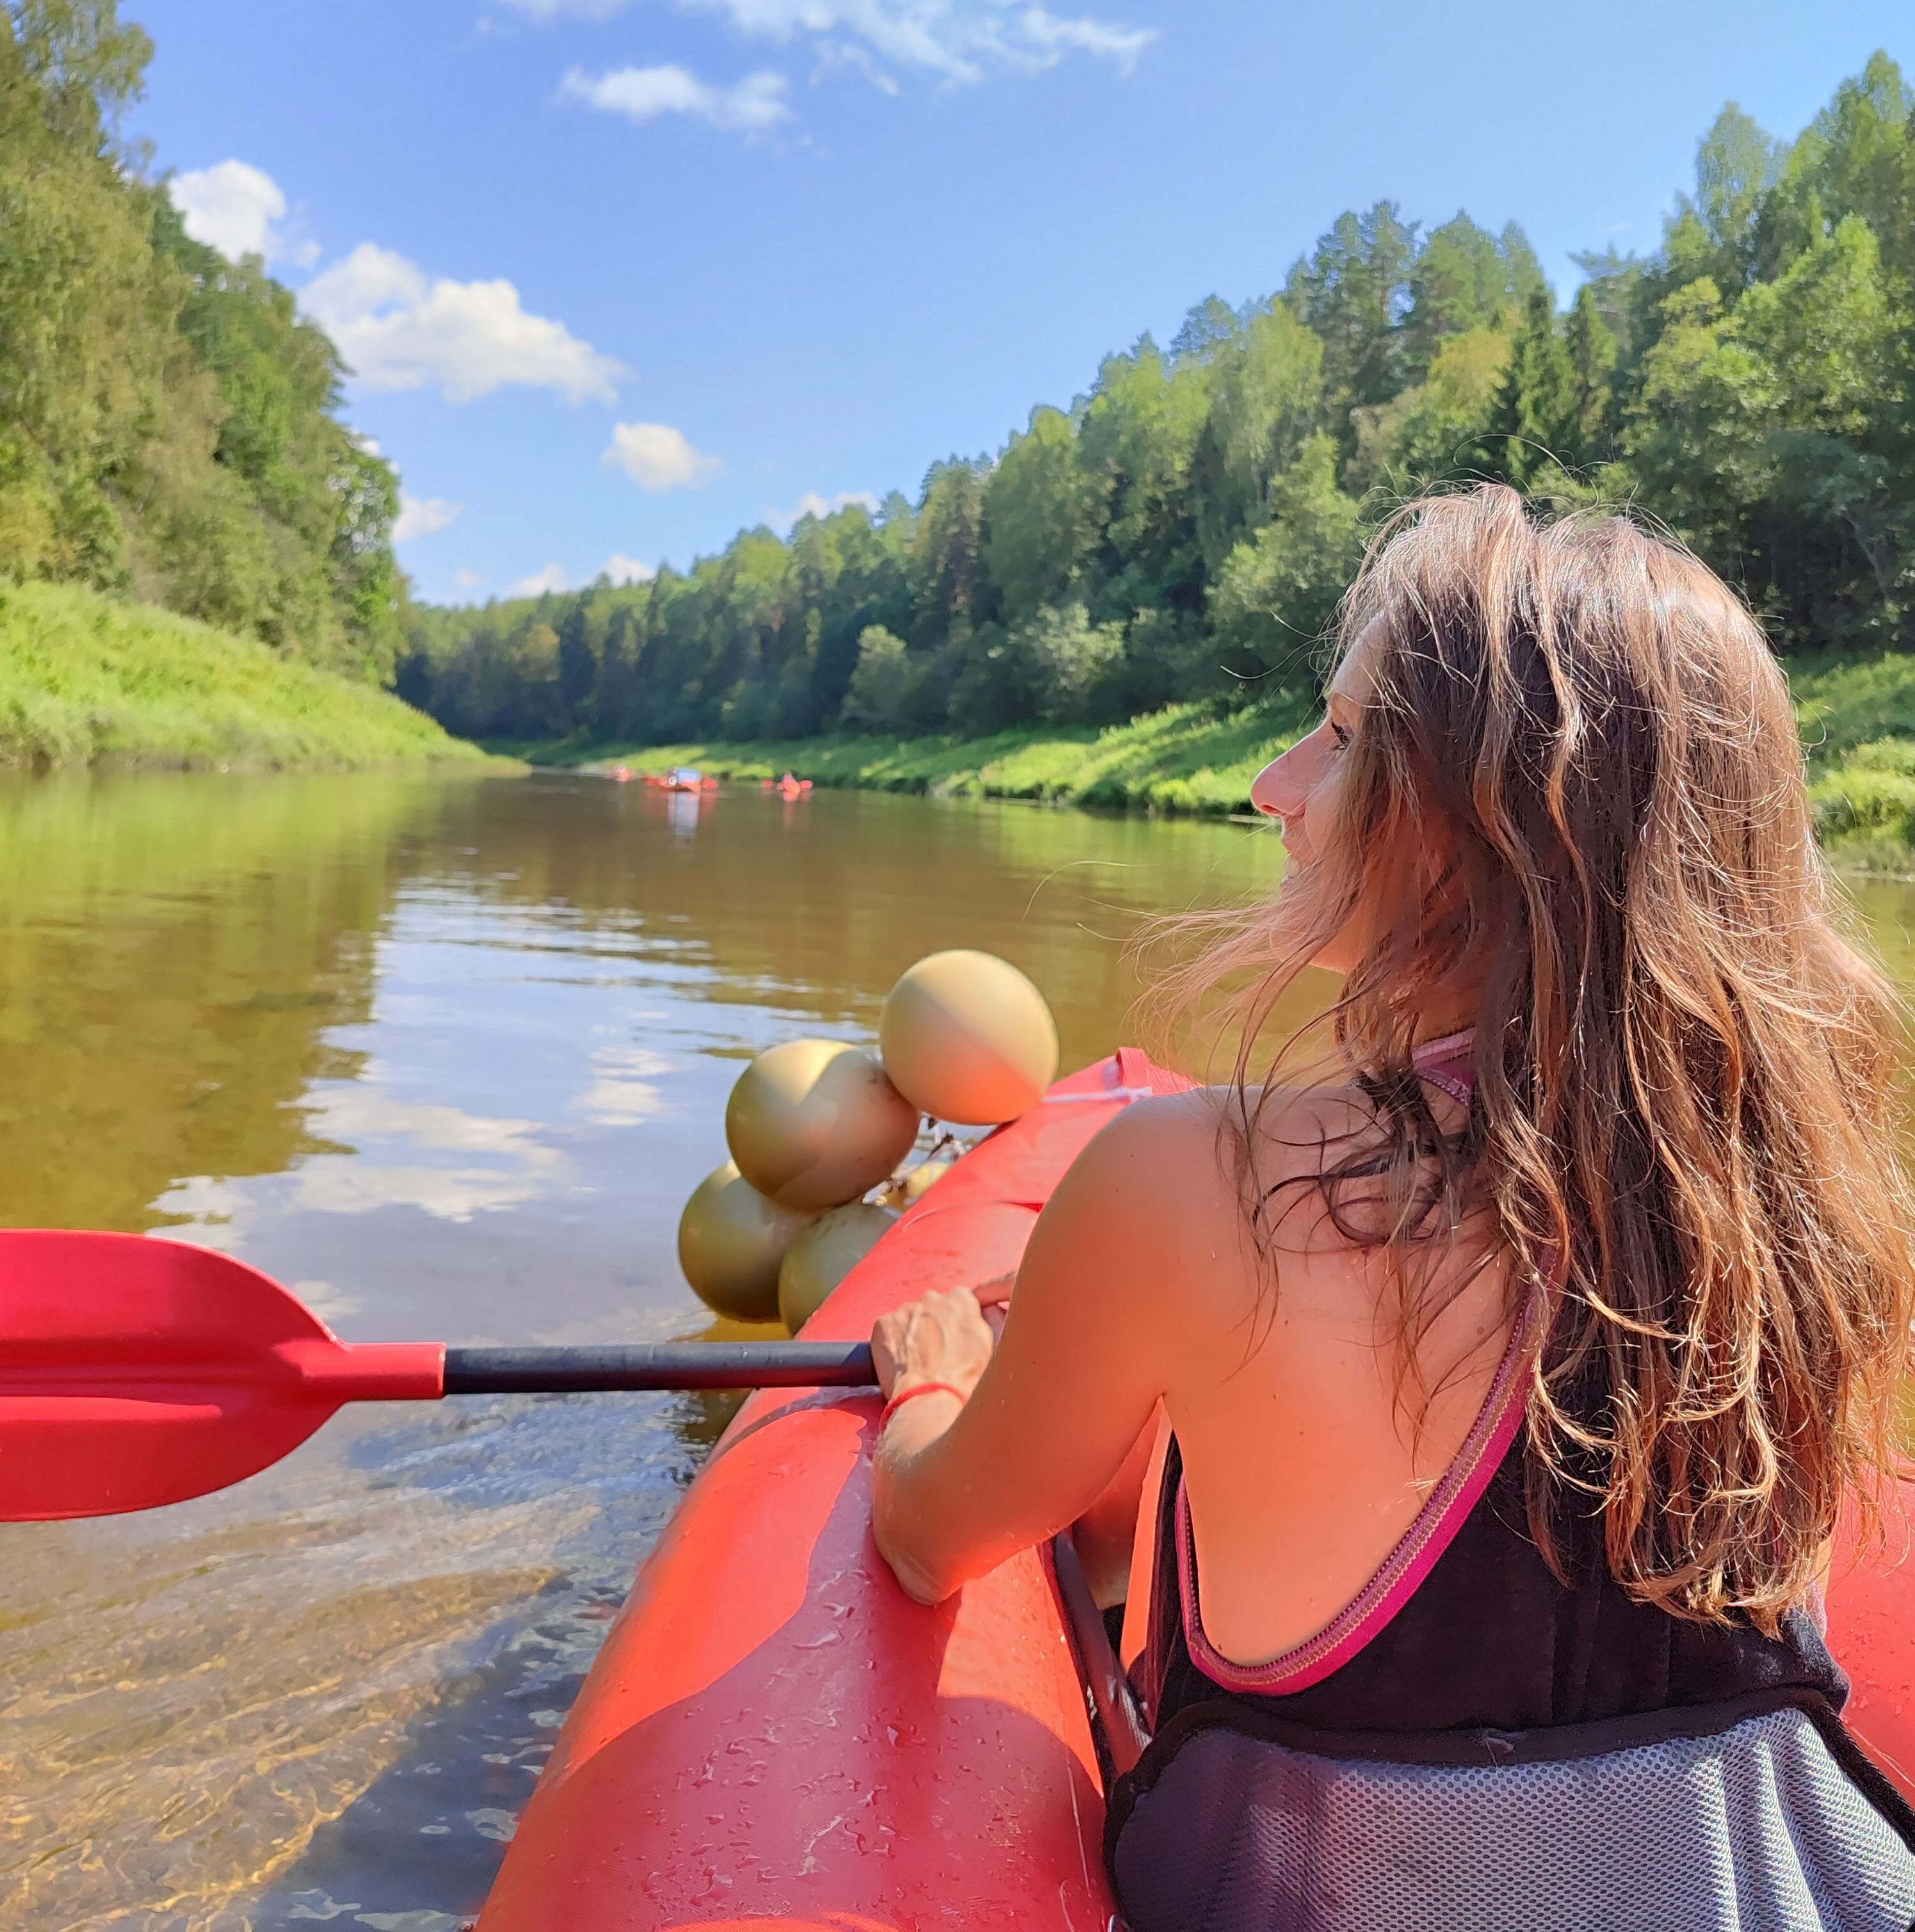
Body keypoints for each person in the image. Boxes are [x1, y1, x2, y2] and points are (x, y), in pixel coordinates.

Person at [867, 486, 1915, 1930]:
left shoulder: (1193, 1183)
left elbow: (930, 1536)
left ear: (1501, 823)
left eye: (1347, 737)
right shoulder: (1797, 1205)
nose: (1273, 785)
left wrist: (933, 1389)